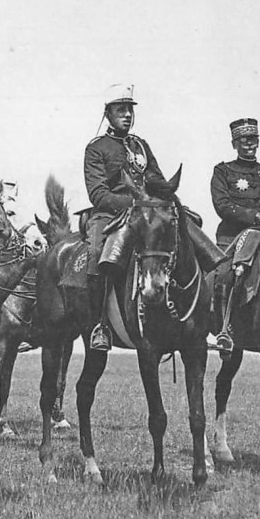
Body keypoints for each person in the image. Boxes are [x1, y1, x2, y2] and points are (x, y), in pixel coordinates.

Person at [83, 85, 174, 351]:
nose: (126, 115)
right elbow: (98, 193)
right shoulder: (96, 148)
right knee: (99, 254)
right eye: (120, 110)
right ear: (108, 113)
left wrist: (166, 200)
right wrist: (134, 204)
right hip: (111, 215)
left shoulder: (141, 146)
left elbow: (158, 180)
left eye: (129, 110)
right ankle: (100, 325)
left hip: (146, 214)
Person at [210, 117, 260, 355]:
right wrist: (258, 218)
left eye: (253, 139)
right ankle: (226, 329)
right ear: (235, 143)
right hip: (233, 239)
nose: (249, 144)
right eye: (244, 140)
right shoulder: (223, 171)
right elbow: (223, 206)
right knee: (225, 275)